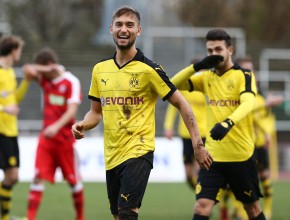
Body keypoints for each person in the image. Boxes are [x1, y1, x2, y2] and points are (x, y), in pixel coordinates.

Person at [71, 6, 212, 220]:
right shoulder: (100, 69)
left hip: (139, 150)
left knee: (128, 213)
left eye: (130, 25)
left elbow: (183, 104)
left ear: (139, 31)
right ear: (111, 29)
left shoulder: (150, 70)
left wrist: (197, 145)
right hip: (111, 155)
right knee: (119, 215)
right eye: (119, 24)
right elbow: (95, 114)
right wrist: (82, 124)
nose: (124, 29)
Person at [171, 29, 266, 220]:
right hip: (212, 158)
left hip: (241, 156)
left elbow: (248, 103)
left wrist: (228, 123)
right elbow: (172, 84)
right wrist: (196, 67)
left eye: (218, 49)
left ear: (230, 50)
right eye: (210, 50)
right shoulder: (206, 78)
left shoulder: (244, 75)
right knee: (201, 207)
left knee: (252, 210)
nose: (214, 54)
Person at [23, 48, 84, 220]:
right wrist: (44, 70)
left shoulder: (71, 81)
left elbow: (72, 111)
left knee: (73, 182)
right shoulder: (45, 80)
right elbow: (28, 70)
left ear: (49, 66)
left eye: (44, 69)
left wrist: (56, 126)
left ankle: (80, 217)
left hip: (64, 140)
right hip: (46, 140)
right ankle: (30, 218)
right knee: (37, 178)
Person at [0, 35, 31, 220]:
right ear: (13, 50)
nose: (20, 53)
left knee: (13, 177)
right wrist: (4, 108)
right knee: (11, 175)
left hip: (11, 131)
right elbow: (7, 105)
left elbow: (15, 100)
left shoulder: (10, 72)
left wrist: (26, 80)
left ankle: (5, 217)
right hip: (1, 131)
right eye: (19, 49)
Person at [163, 59, 207, 191]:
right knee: (188, 175)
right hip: (185, 133)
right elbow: (173, 107)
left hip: (203, 133)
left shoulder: (206, 87)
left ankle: (202, 200)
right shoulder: (185, 87)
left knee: (200, 170)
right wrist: (168, 127)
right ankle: (199, 194)